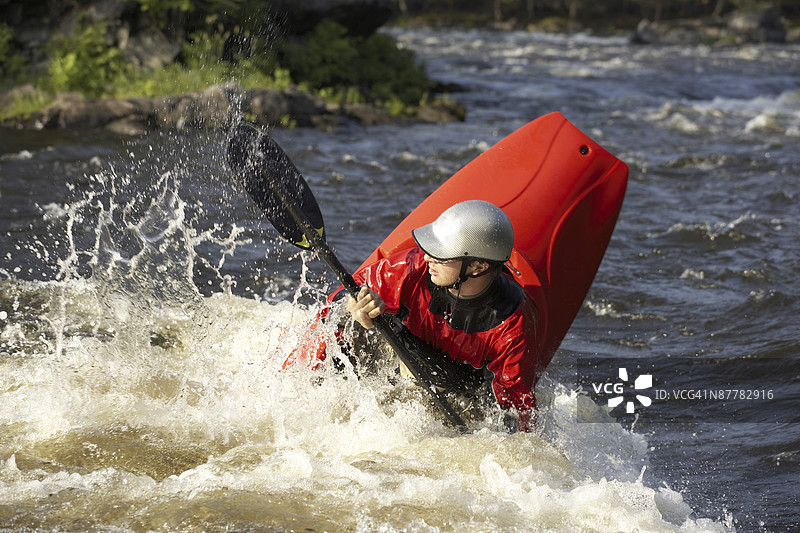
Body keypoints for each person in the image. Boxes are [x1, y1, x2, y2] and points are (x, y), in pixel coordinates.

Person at [345, 200, 541, 431]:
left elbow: (515, 409)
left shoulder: (512, 326)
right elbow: (354, 287)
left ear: (478, 267)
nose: (427, 257)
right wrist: (356, 306)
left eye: (441, 254)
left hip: (461, 389)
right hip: (409, 350)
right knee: (354, 324)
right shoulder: (414, 266)